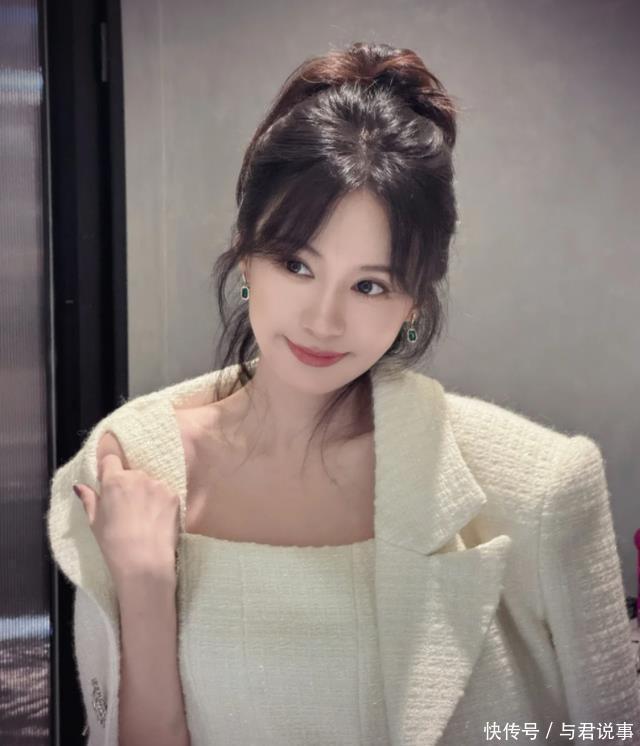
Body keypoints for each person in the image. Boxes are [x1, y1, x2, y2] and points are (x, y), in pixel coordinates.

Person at [46, 41, 640, 746]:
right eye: (297, 265)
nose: (323, 321)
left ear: (414, 301)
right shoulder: (133, 467)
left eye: (369, 285)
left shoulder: (543, 487)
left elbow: (612, 729)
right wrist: (146, 590)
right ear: (246, 254)